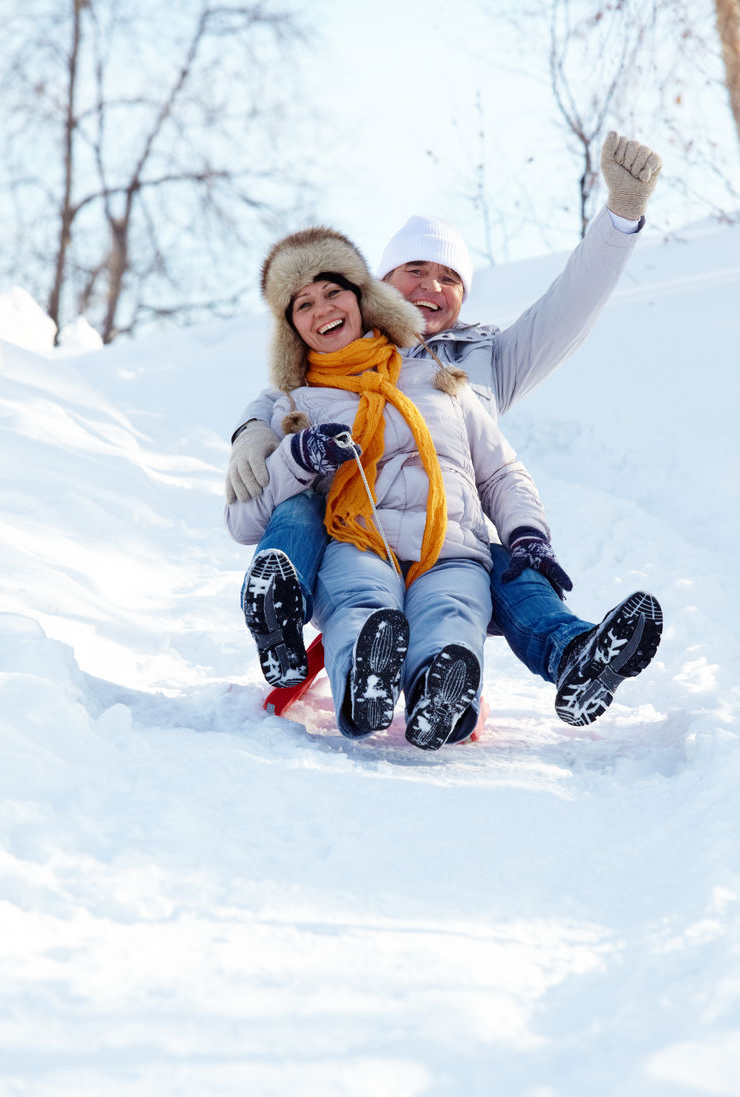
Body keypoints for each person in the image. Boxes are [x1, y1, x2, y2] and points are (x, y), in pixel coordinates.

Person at [226, 132, 664, 727]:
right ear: (377, 284)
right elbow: (284, 396)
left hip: (449, 535)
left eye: (449, 278)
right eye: (415, 270)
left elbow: (570, 308)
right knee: (344, 562)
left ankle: (532, 662)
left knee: (501, 566)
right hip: (356, 531)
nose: (432, 287)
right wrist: (253, 430)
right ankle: (354, 665)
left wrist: (619, 218)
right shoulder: (325, 359)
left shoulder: (477, 365)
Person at [225, 226, 563, 750]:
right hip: (361, 540)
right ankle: (363, 683)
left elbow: (501, 470)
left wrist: (528, 532)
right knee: (361, 603)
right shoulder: (295, 401)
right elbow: (245, 520)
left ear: (363, 298)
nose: (323, 310)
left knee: (452, 612)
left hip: (447, 548)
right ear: (291, 328)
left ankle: (442, 696)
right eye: (303, 305)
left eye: (334, 292)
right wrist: (293, 453)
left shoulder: (442, 380)